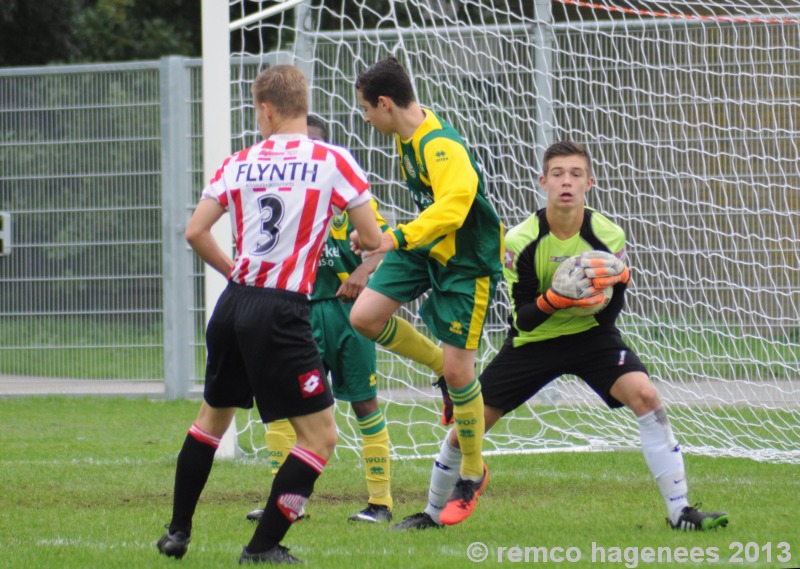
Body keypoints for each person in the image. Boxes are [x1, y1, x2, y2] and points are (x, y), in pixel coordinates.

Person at [391, 140, 729, 532]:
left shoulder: (608, 235)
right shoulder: (520, 240)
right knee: (467, 429)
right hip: (532, 344)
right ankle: (431, 515)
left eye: (575, 174)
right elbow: (524, 318)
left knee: (647, 396)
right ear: (543, 182)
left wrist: (618, 283)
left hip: (591, 337)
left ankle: (680, 512)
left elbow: (610, 313)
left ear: (590, 182)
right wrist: (556, 298)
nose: (566, 182)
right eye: (557, 174)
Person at [156, 65, 383, 565]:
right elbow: (371, 240)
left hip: (234, 301)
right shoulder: (331, 160)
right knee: (320, 437)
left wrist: (234, 268)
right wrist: (369, 264)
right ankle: (262, 548)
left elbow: (195, 232)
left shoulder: (238, 162)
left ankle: (177, 532)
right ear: (303, 104)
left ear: (265, 109)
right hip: (282, 310)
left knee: (210, 422)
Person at [246, 115, 445, 525]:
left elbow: (387, 245)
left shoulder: (350, 200)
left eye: (314, 147)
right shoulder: (281, 201)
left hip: (345, 315)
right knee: (288, 407)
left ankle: (380, 503)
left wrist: (363, 270)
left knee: (363, 402)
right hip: (297, 313)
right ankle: (286, 501)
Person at [349, 56, 504, 527]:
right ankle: (440, 368)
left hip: (464, 262)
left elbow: (454, 210)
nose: (366, 119)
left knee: (464, 373)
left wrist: (393, 238)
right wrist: (378, 245)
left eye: (366, 110)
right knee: (364, 317)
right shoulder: (406, 137)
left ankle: (473, 473)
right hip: (423, 249)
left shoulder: (441, 146)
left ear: (385, 103)